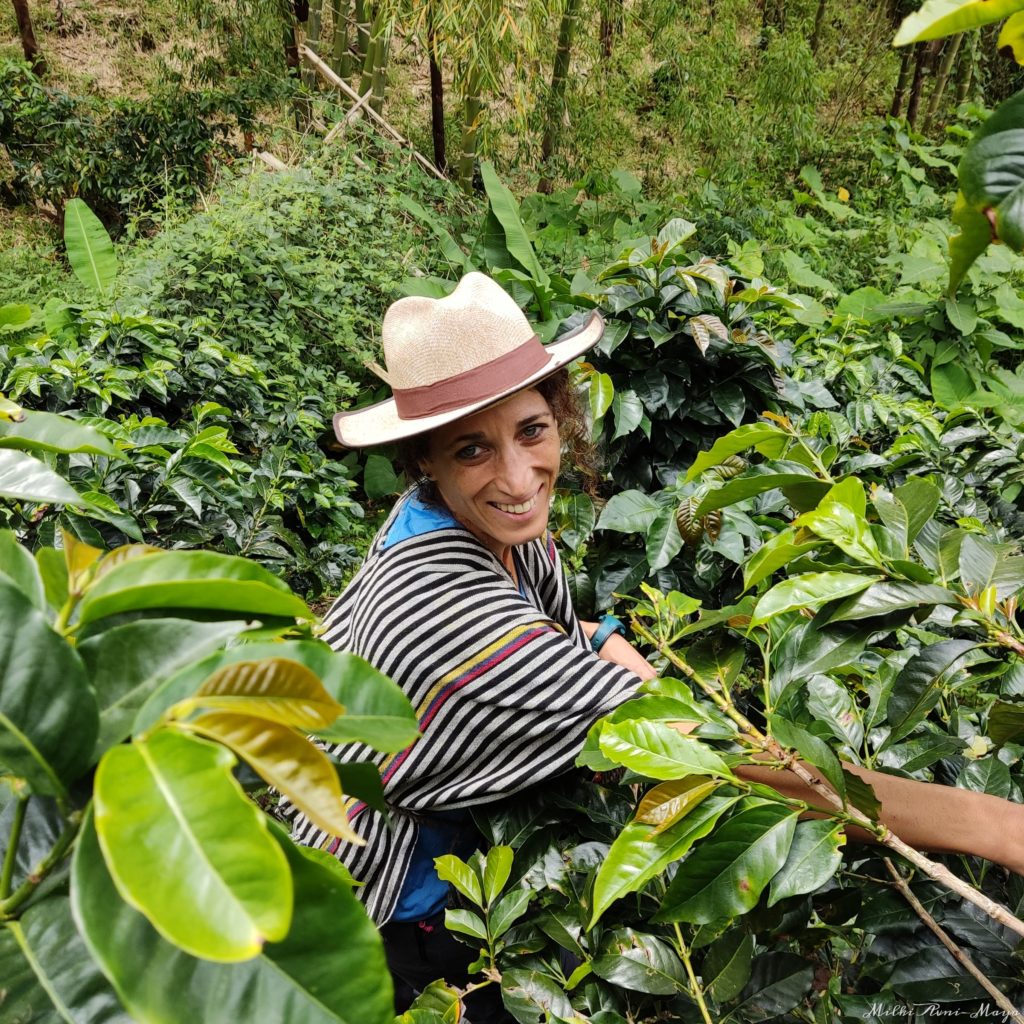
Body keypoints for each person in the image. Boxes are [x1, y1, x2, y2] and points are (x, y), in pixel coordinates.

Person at [289, 272, 1024, 1020]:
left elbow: (561, 632)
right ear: (425, 462)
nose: (517, 477)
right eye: (473, 449)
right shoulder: (448, 610)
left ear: (560, 416)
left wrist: (625, 660)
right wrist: (1000, 827)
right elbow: (708, 753)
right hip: (390, 905)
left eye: (532, 431)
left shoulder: (462, 521)